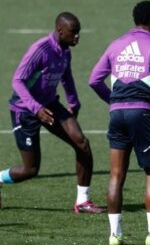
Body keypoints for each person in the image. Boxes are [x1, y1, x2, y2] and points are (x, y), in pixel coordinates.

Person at [89, 1, 150, 245]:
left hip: (116, 114)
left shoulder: (116, 44)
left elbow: (94, 79)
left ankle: (115, 235)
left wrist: (114, 101)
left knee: (116, 175)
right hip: (143, 114)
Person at [0, 12, 103, 213]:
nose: (77, 37)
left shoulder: (65, 51)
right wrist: (36, 109)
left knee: (82, 144)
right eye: (73, 33)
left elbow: (66, 76)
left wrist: (74, 101)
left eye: (78, 32)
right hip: (25, 110)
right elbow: (17, 80)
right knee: (30, 170)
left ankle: (83, 201)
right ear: (60, 30)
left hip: (50, 105)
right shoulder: (40, 50)